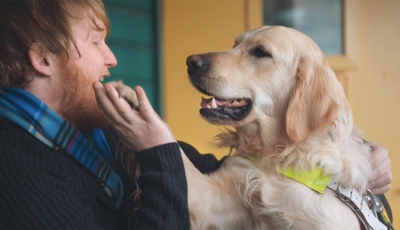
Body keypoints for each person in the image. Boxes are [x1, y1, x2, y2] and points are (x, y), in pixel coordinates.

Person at [0, 0, 392, 229]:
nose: (112, 58)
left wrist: (366, 174)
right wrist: (158, 153)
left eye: (257, 53)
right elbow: (191, 187)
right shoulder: (20, 175)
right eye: (97, 42)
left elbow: (204, 177)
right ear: (43, 59)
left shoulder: (102, 133)